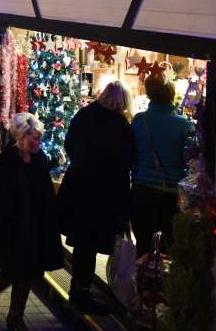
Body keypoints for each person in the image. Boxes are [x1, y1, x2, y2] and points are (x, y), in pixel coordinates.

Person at [57, 81, 136, 315]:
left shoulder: (84, 115)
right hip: (104, 195)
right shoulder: (121, 126)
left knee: (83, 243)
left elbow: (69, 144)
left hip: (78, 188)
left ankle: (78, 291)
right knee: (89, 245)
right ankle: (81, 294)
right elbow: (126, 163)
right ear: (123, 102)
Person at [0, 113, 63, 330]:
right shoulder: (8, 160)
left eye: (39, 138)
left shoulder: (40, 159)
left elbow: (45, 194)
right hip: (11, 228)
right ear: (21, 137)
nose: (38, 142)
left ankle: (15, 316)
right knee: (10, 271)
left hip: (33, 227)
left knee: (28, 273)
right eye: (34, 138)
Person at [131, 73, 194, 257]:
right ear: (171, 95)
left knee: (143, 248)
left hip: (142, 193)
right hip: (171, 196)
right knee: (169, 251)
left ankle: (142, 285)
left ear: (149, 94)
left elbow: (132, 156)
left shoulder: (138, 121)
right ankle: (163, 286)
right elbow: (190, 163)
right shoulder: (183, 125)